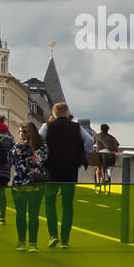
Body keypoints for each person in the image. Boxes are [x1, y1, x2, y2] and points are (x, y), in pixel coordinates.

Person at [42, 102, 87, 249]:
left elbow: (37, 139)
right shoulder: (76, 127)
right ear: (67, 113)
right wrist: (83, 153)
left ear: (54, 114)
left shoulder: (47, 127)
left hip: (52, 169)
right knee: (67, 205)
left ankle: (53, 235)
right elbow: (90, 141)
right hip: (70, 169)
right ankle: (65, 239)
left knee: (50, 203)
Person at [10, 122, 48, 251]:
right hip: (36, 185)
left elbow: (11, 160)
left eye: (21, 131)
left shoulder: (17, 148)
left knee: (20, 214)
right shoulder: (42, 148)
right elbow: (45, 162)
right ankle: (33, 243)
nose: (19, 134)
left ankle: (21, 241)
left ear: (25, 133)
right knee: (33, 215)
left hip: (19, 185)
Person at [93, 122, 120, 187]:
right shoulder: (111, 137)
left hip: (100, 153)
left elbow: (92, 142)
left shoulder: (97, 136)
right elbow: (117, 144)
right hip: (109, 153)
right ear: (107, 130)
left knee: (98, 167)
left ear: (101, 129)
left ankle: (98, 181)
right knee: (108, 165)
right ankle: (108, 176)